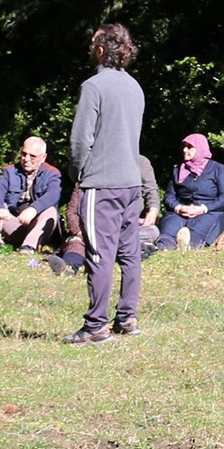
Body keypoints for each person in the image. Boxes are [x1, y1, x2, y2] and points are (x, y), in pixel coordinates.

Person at [65, 22, 147, 344]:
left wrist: (79, 174)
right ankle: (127, 319)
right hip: (131, 183)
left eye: (92, 44)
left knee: (99, 254)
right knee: (130, 254)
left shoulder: (94, 87)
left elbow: (80, 141)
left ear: (101, 49)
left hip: (102, 185)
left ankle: (96, 325)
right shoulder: (135, 88)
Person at [49, 154, 159, 276]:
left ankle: (129, 249)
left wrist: (152, 211)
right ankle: (69, 266)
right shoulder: (88, 176)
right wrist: (80, 233)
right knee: (76, 243)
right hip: (90, 231)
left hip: (124, 229)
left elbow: (151, 190)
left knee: (151, 231)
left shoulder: (139, 164)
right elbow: (72, 211)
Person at [0, 136, 62, 254]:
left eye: (32, 156)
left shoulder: (52, 173)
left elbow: (53, 195)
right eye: (24, 154)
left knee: (50, 211)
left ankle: (29, 247)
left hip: (36, 227)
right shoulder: (9, 172)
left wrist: (34, 209)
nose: (26, 159)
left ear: (43, 158)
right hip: (13, 223)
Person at [156, 133, 224, 251]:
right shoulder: (178, 170)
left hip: (208, 211)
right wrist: (178, 208)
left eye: (189, 147)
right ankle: (165, 247)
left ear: (200, 148)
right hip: (182, 211)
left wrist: (203, 208)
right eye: (184, 146)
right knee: (168, 233)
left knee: (197, 233)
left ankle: (189, 245)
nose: (185, 150)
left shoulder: (217, 169)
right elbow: (169, 196)